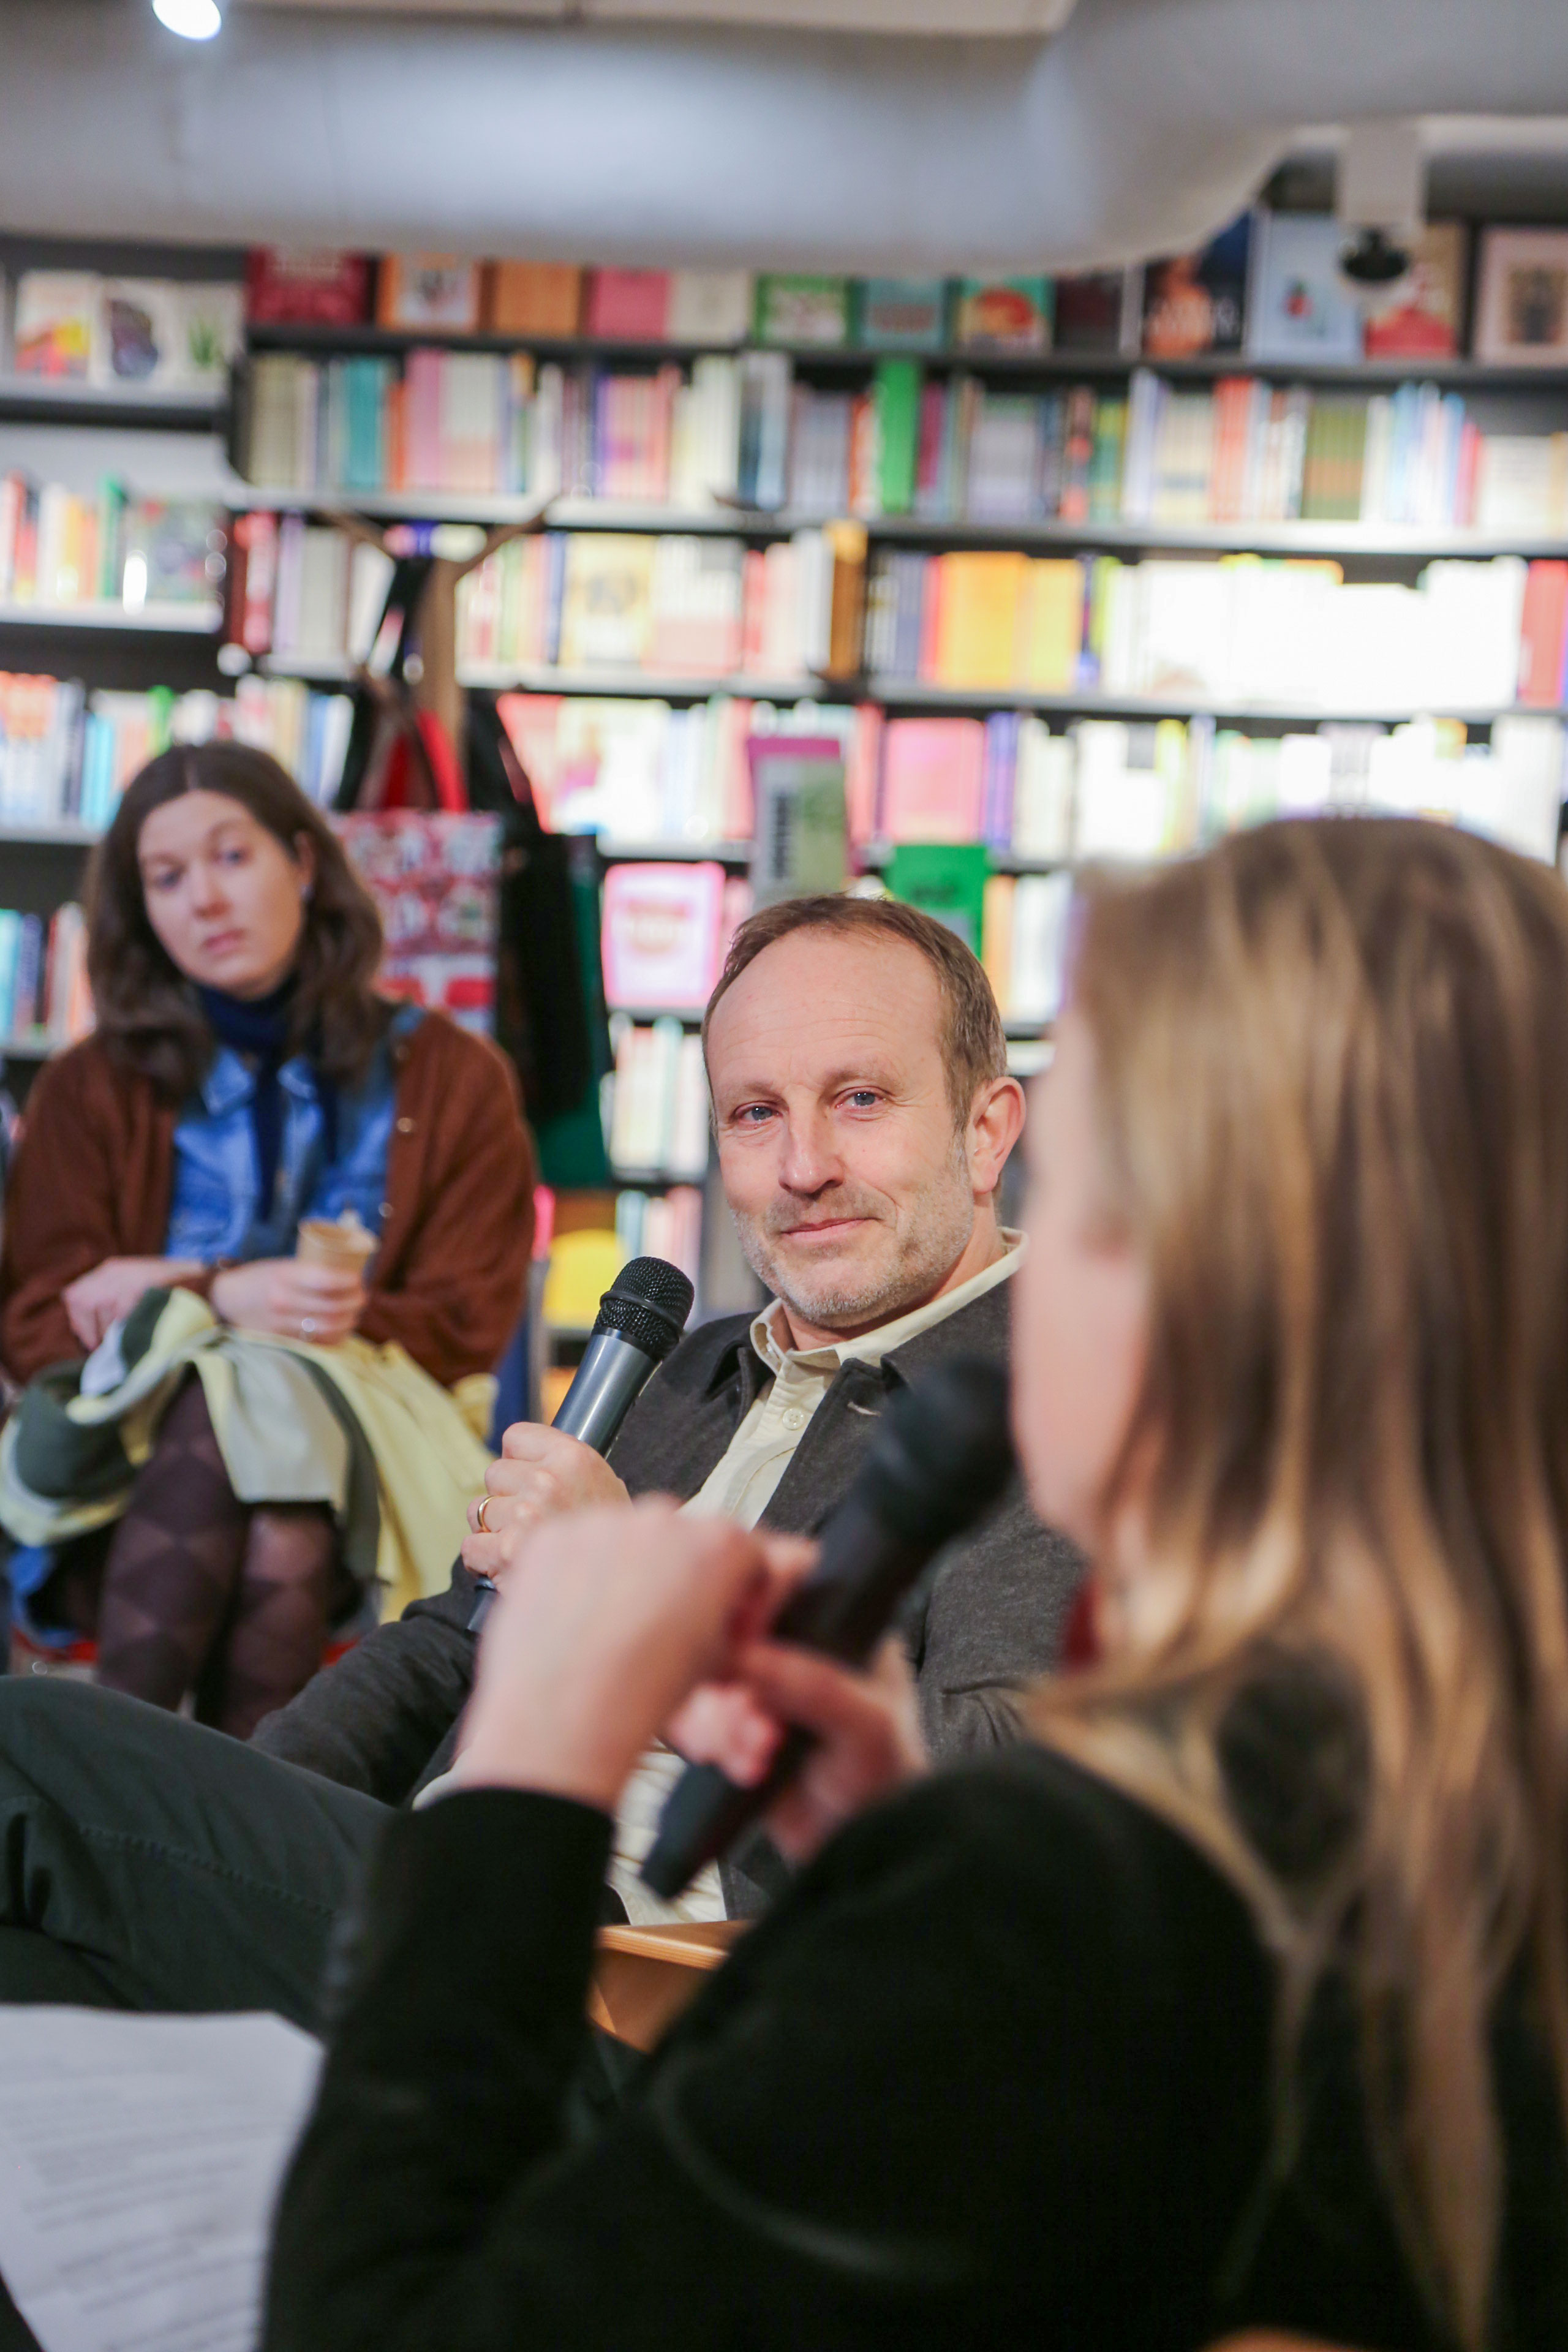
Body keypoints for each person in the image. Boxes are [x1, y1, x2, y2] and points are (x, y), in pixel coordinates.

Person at [265, 818, 1567, 2352]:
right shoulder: (1417, 1798)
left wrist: (525, 1793)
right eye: (755, 1113)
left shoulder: (1109, 1876)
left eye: (1091, 1191)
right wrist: (902, 1854)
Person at [0, 896, 1080, 2010]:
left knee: (28, 1744)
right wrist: (221, 1809)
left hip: (635, 1982)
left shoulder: (1064, 1412)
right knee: (32, 1953)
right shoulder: (685, 1367)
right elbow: (445, 1647)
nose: (803, 1164)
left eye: (860, 1100)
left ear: (987, 1129)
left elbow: (997, 1789)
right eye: (756, 1114)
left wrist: (643, 1607)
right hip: (428, 1882)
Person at [0, 743, 533, 1735]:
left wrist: (199, 1292)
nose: (204, 898)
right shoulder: (86, 1088)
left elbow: (465, 1322)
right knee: (266, 1492)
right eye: (167, 878)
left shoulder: (455, 1078)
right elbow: (34, 1326)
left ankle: (117, 1812)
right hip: (123, 1452)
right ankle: (241, 1852)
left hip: (378, 1439)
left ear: (301, 860)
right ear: (141, 912)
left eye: (231, 858)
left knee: (259, 1426)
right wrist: (220, 1296)